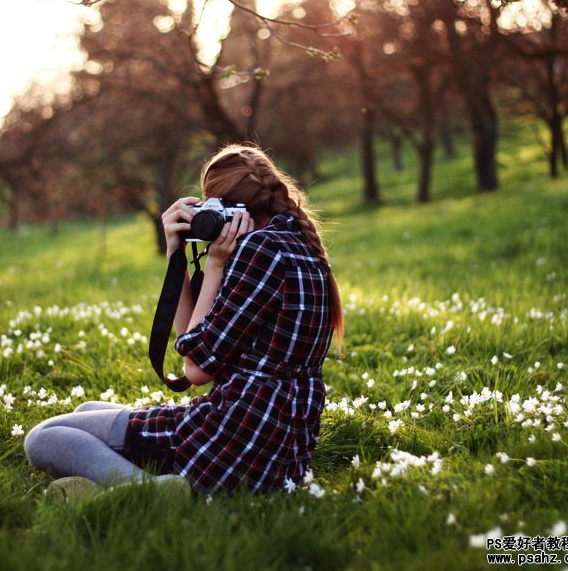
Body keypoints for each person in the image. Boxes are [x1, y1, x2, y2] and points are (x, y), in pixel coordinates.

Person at [24, 144, 343, 497]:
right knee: (88, 411)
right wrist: (178, 256)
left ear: (232, 209)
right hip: (277, 453)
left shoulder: (259, 250)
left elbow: (195, 369)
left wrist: (217, 264)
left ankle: (144, 491)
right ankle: (144, 485)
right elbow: (195, 338)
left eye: (211, 207)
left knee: (42, 438)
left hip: (231, 438)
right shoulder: (298, 243)